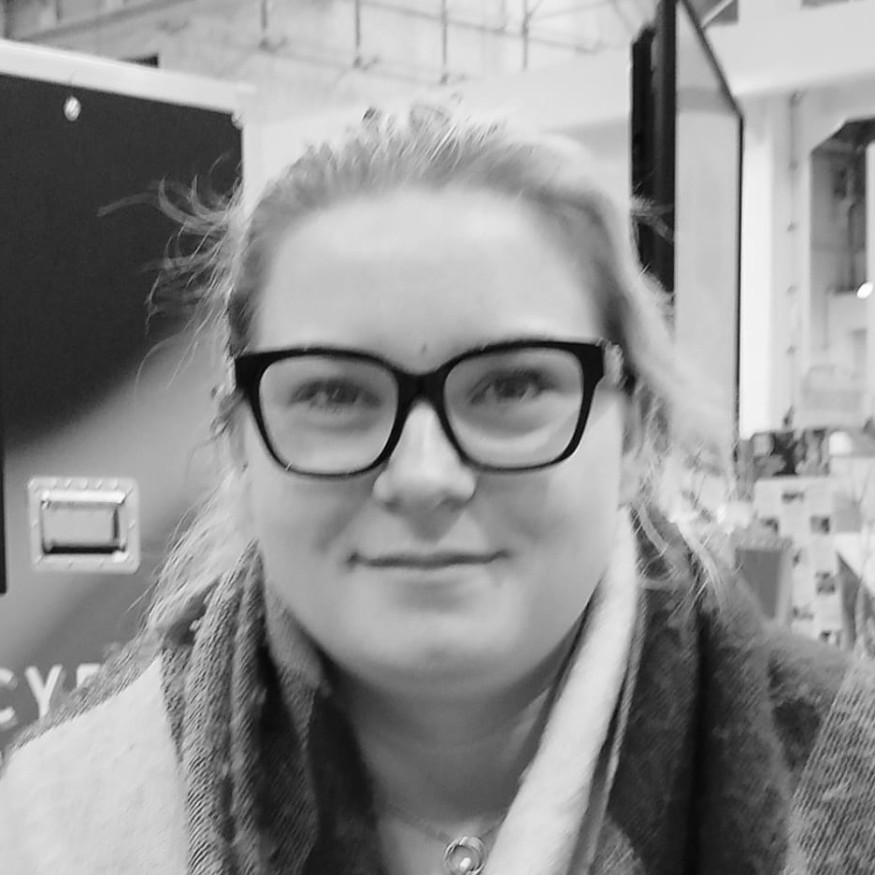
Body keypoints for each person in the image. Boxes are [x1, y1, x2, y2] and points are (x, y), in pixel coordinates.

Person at [1, 104, 874, 875]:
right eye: (333, 393)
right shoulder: (66, 810)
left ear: (634, 427)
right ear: (240, 440)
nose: (423, 477)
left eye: (510, 386)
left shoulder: (849, 771)